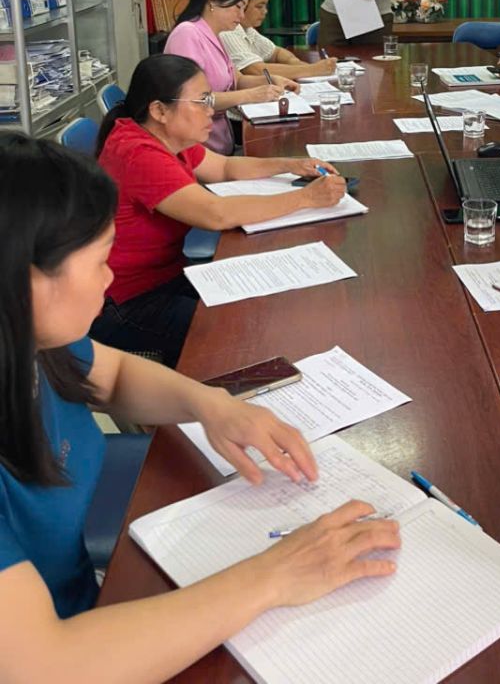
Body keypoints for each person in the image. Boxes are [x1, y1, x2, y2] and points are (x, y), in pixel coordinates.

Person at [0, 134, 400, 679]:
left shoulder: (33, 342)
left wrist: (209, 403)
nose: (111, 277)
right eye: (100, 261)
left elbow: (113, 373)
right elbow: (47, 667)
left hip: (85, 605)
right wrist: (275, 575)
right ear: (25, 283)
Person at [89, 55, 346, 367]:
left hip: (165, 277)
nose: (211, 110)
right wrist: (306, 198)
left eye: (209, 99)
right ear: (159, 110)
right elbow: (216, 213)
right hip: (126, 302)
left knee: (252, 306)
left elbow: (224, 167)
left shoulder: (168, 136)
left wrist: (292, 165)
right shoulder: (139, 153)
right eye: (201, 102)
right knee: (230, 335)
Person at [164, 0, 294, 154]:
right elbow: (194, 99)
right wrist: (251, 95)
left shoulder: (215, 34)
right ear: (212, 0)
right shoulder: (187, 34)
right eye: (238, 7)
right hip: (199, 150)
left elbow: (237, 79)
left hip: (222, 142)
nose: (241, 16)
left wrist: (272, 80)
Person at [219, 0, 338, 81]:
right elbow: (255, 70)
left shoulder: (247, 29)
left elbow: (276, 52)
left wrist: (297, 64)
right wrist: (312, 70)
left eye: (266, 6)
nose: (265, 11)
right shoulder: (227, 31)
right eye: (259, 6)